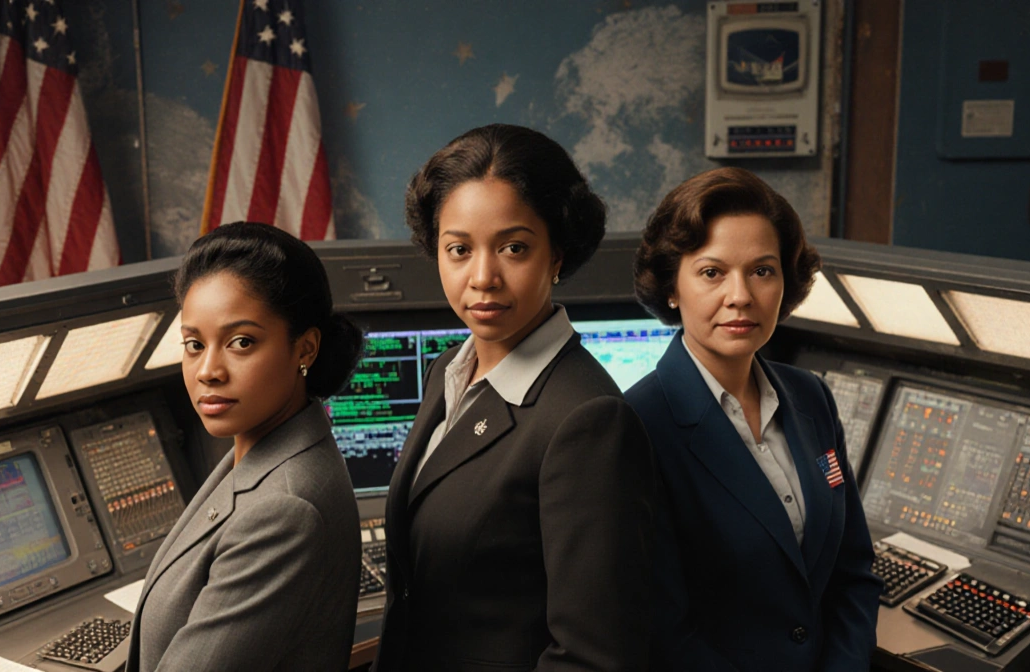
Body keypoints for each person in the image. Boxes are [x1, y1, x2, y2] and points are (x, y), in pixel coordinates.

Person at [372, 124, 655, 672]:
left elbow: (594, 657)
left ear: (558, 253)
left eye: (514, 248)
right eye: (459, 249)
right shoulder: (447, 373)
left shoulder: (588, 420)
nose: (483, 278)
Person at [626, 168, 882, 671]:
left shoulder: (812, 399)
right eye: (712, 272)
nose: (740, 295)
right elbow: (664, 630)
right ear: (672, 288)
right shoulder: (637, 426)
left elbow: (853, 573)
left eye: (762, 271)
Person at [125, 222, 363, 672]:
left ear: (305, 349)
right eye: (194, 344)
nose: (208, 371)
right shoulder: (261, 452)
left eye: (241, 342)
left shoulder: (284, 511)